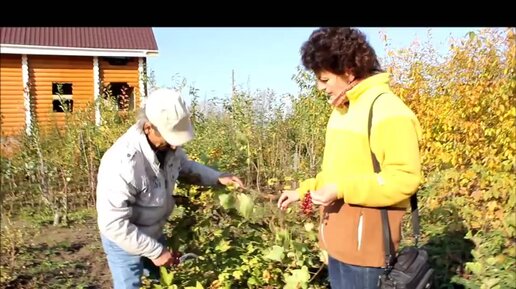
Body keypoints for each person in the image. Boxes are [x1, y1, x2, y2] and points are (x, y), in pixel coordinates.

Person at [277, 27, 423, 289]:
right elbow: (334, 176)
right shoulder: (343, 110)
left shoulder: (387, 110)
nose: (319, 87)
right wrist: (304, 191)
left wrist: (342, 189)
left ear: (349, 71)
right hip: (338, 244)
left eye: (324, 79)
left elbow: (404, 179)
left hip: (367, 253)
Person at [96, 88, 245, 289]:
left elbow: (185, 166)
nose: (175, 146)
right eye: (169, 138)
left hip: (154, 232)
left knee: (166, 281)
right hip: (124, 239)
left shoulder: (166, 148)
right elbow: (114, 224)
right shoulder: (122, 162)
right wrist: (156, 252)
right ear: (148, 127)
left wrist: (218, 178)